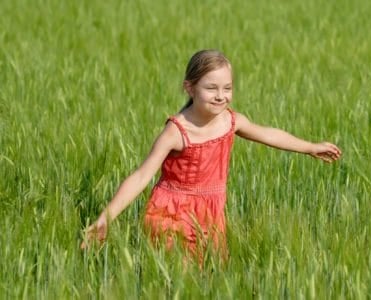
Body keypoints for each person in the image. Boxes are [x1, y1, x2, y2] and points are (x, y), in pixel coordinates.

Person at [81, 49, 341, 261]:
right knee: (176, 277)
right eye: (211, 88)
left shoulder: (231, 121)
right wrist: (106, 217)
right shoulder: (177, 131)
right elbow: (141, 176)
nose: (221, 96)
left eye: (227, 88)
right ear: (190, 88)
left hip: (211, 214)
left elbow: (269, 134)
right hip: (172, 213)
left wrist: (310, 147)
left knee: (209, 278)